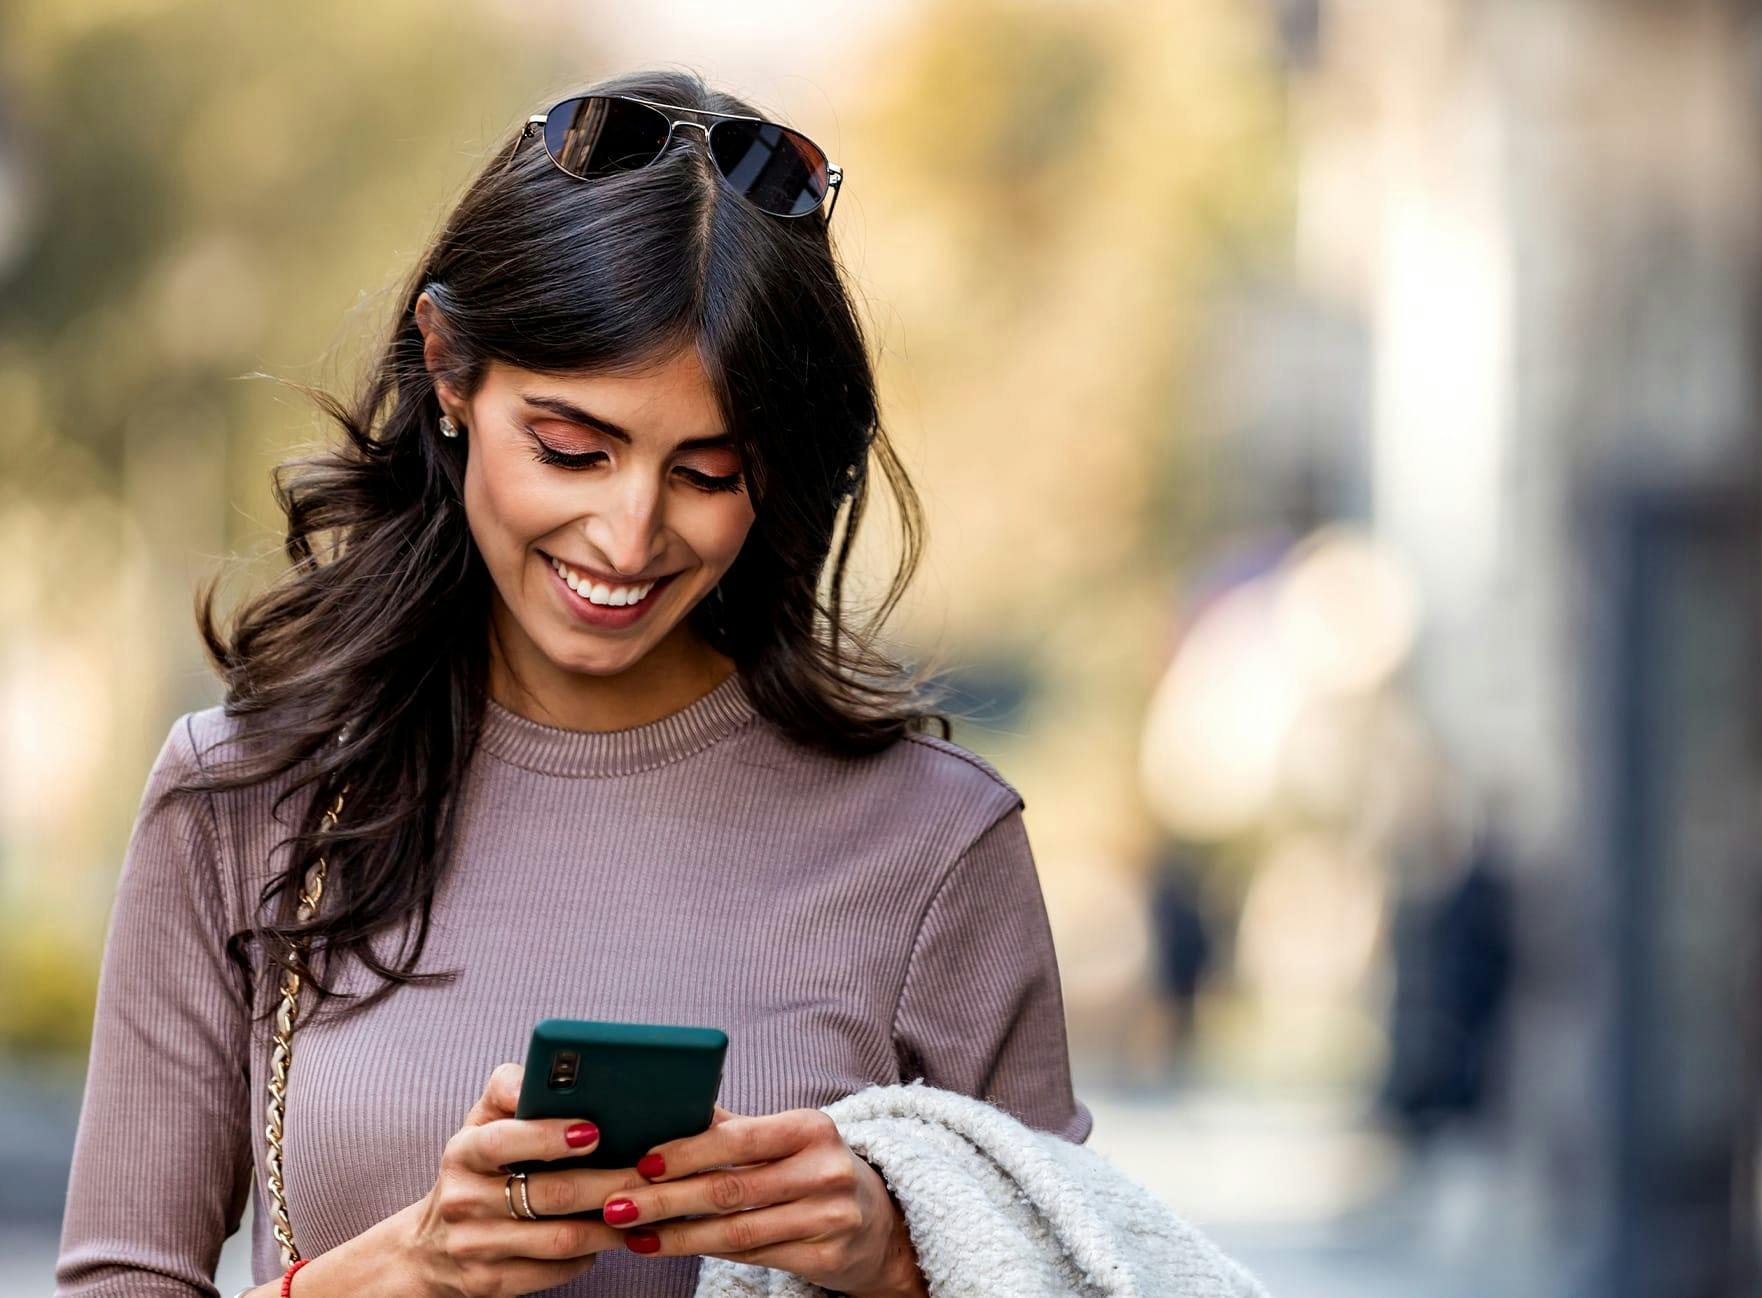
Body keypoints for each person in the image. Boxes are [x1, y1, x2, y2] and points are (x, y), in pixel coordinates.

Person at [54, 68, 1090, 1298]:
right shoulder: (247, 796)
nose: (627, 531)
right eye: (570, 448)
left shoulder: (934, 844)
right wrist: (402, 1268)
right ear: (449, 369)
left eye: (709, 471)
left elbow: (1075, 1265)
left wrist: (896, 1251)